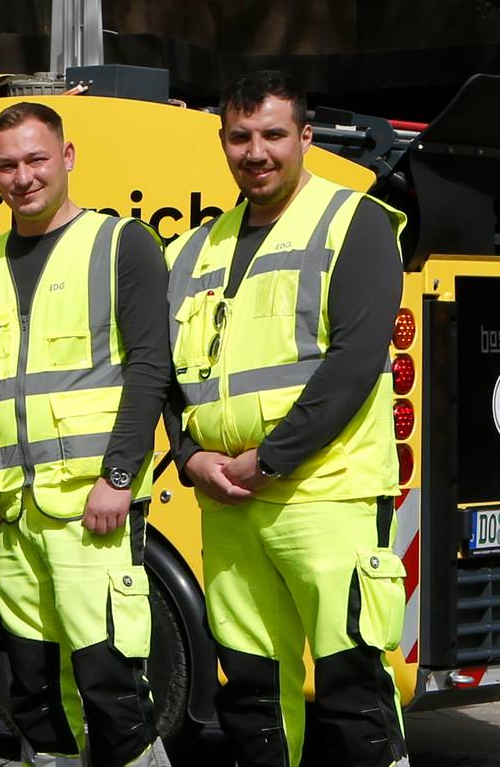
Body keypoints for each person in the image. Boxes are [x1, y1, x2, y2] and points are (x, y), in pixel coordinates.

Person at [167, 72, 406, 767]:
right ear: (222, 143)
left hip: (324, 495)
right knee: (250, 696)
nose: (256, 151)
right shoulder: (192, 250)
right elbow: (169, 376)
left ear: (305, 137)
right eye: (240, 137)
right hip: (229, 504)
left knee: (351, 689)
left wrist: (270, 459)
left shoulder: (353, 222)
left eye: (273, 134)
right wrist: (188, 456)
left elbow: (356, 360)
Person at [0, 102, 175, 767]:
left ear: (68, 157)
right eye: (7, 164)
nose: (22, 176)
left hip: (91, 513)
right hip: (13, 518)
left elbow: (149, 368)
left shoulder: (120, 244)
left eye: (35, 159)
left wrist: (118, 479)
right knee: (33, 697)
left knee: (113, 692)